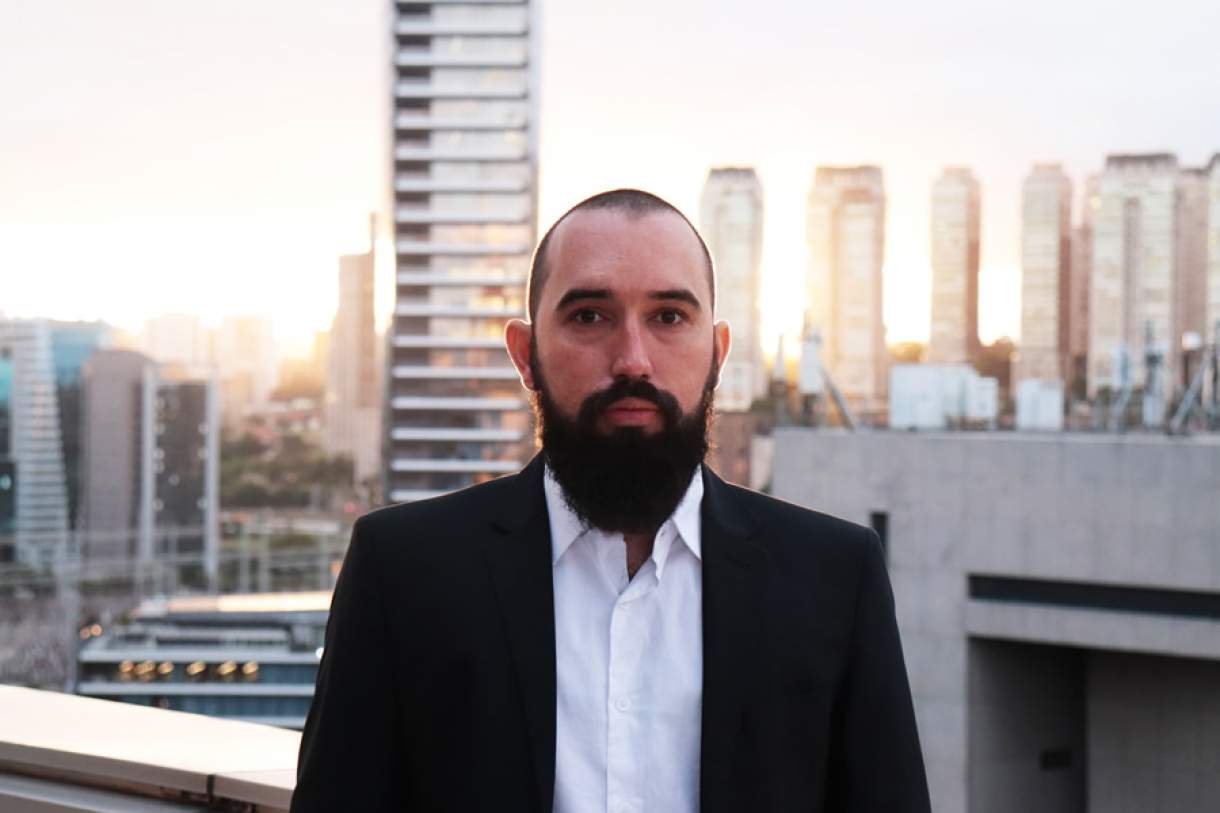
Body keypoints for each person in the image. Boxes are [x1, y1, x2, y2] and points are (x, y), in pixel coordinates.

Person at [290, 189, 930, 812]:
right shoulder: (402, 570)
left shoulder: (835, 576)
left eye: (669, 317)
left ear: (717, 354)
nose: (632, 360)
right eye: (589, 316)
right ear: (525, 354)